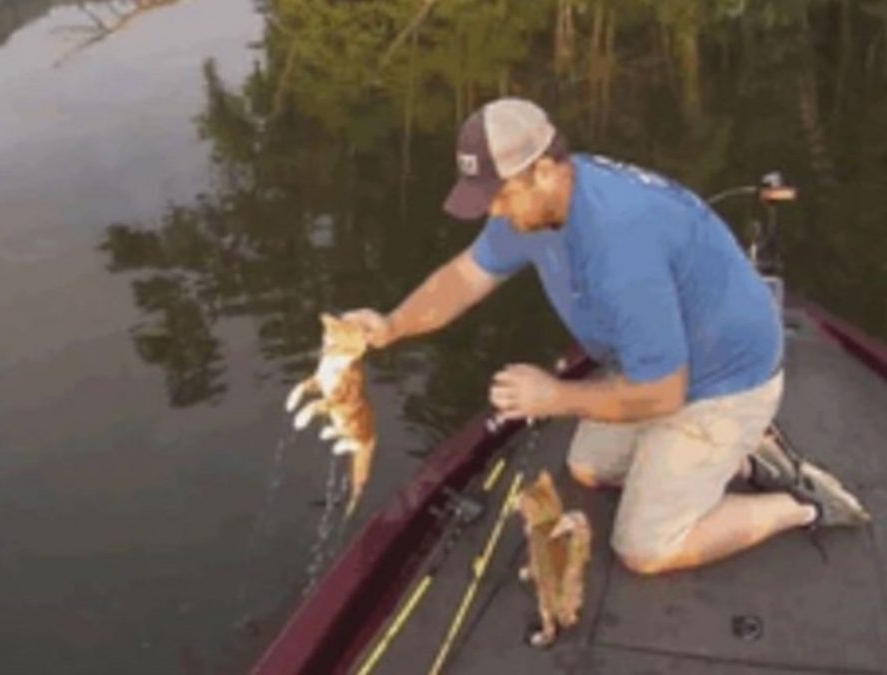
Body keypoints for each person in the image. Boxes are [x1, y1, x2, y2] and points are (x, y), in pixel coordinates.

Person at [343, 98, 869, 575]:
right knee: (588, 467)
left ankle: (803, 504)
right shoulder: (539, 203)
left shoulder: (619, 249)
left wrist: (555, 396)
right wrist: (392, 325)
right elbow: (464, 277)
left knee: (644, 547)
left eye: (499, 196)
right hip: (663, 361)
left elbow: (665, 393)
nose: (494, 213)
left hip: (725, 383)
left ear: (545, 171)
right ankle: (746, 459)